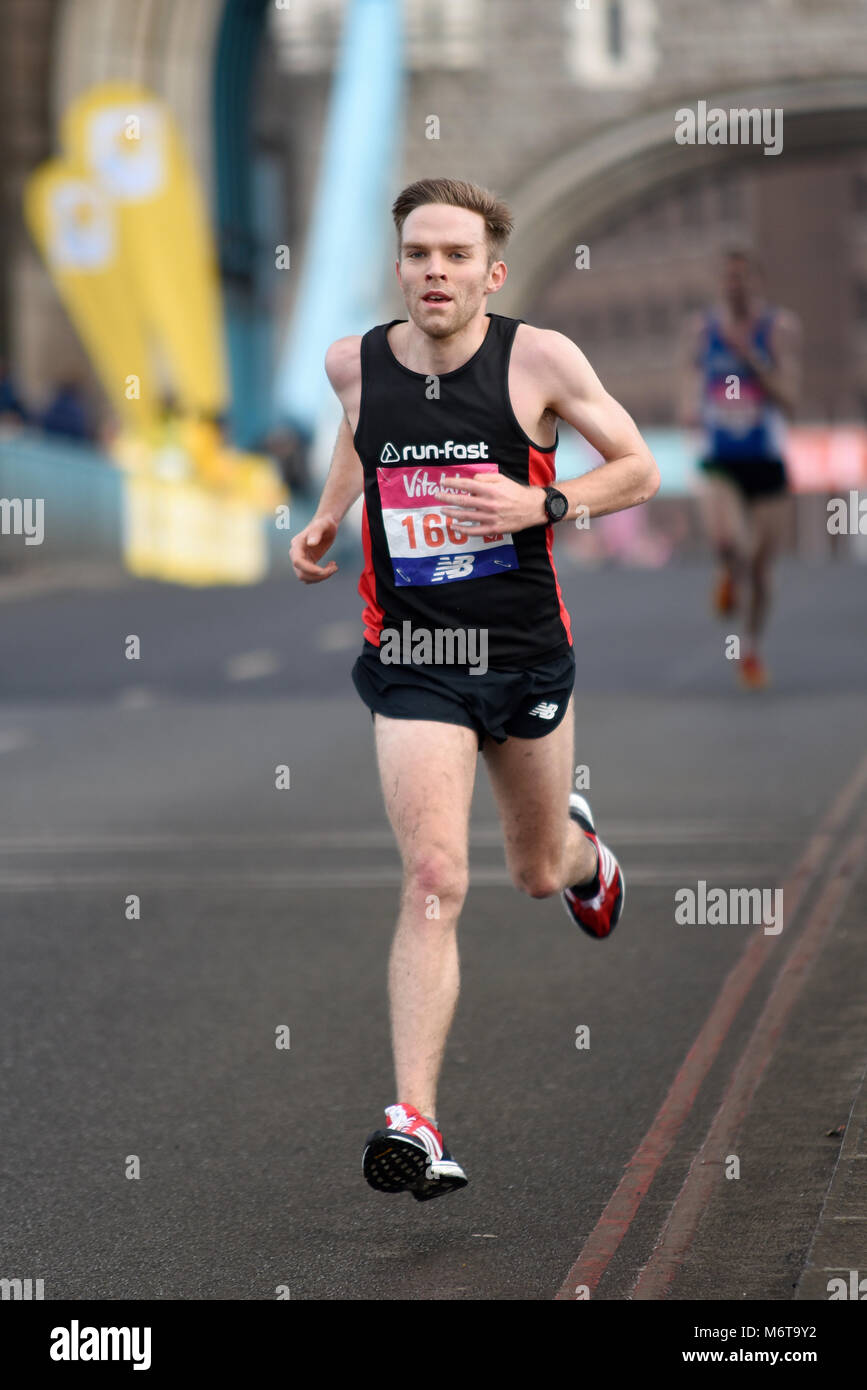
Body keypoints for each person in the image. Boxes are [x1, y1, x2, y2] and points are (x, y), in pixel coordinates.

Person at [290, 177, 659, 1200]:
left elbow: (636, 469)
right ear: (399, 265)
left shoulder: (538, 360)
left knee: (535, 871)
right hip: (416, 660)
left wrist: (542, 499)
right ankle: (415, 1119)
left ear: (491, 273)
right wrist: (328, 517)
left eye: (456, 256)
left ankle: (583, 851)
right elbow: (359, 433)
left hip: (526, 654)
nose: (435, 272)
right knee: (435, 877)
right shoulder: (351, 363)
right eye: (418, 255)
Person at [679, 249, 802, 688]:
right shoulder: (703, 329)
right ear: (721, 284)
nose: (737, 287)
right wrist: (689, 409)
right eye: (730, 279)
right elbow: (692, 379)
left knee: (763, 568)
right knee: (728, 540)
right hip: (721, 459)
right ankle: (728, 568)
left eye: (745, 279)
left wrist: (752, 360)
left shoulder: (779, 328)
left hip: (766, 459)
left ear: (758, 283)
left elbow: (790, 397)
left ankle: (749, 647)